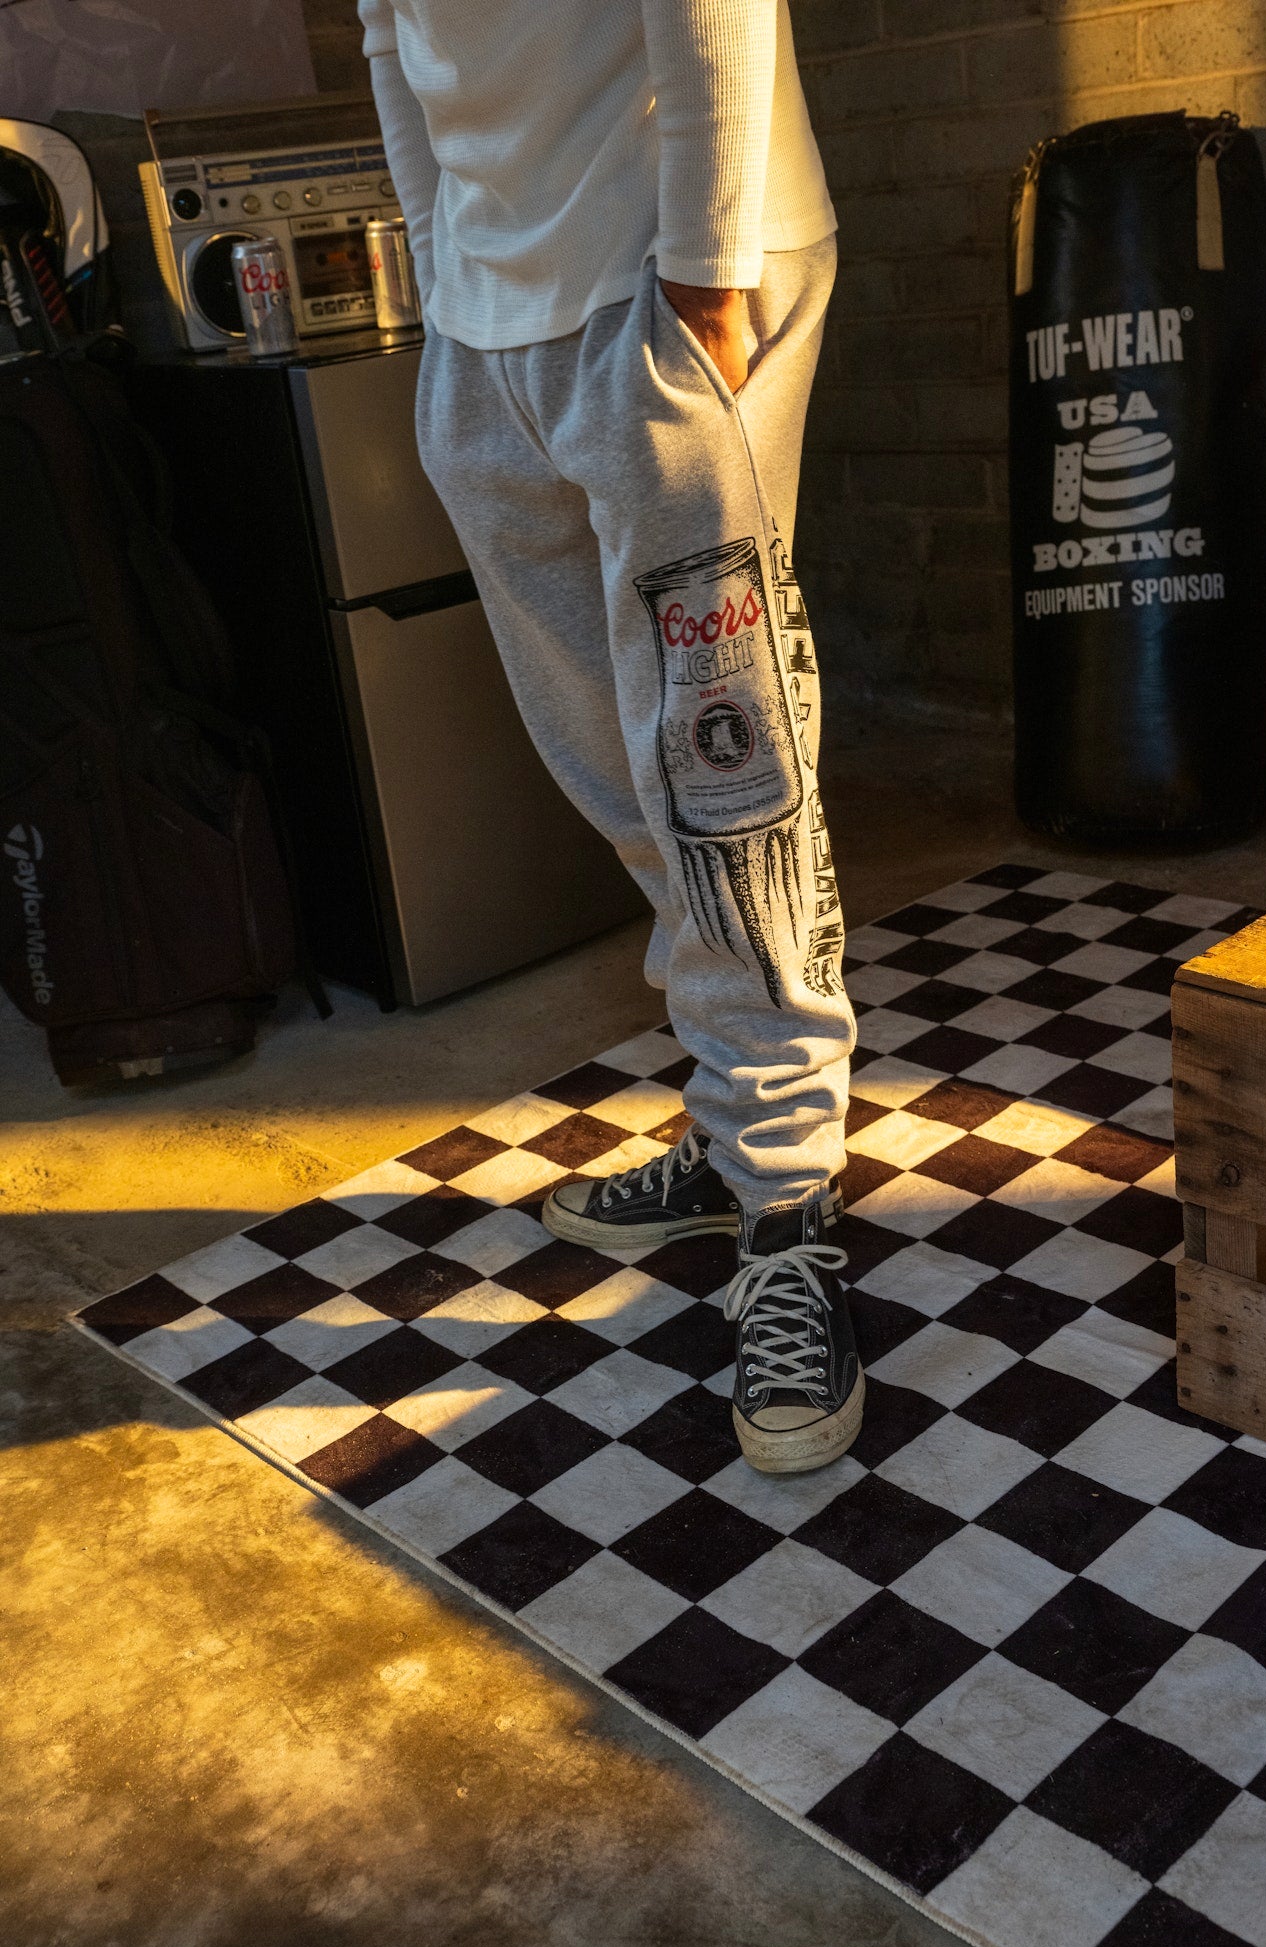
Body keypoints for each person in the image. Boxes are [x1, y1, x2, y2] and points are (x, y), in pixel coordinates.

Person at [359, 0, 861, 1474]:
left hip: (676, 279)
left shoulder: (694, 283)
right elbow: (391, 42)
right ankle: (732, 1114)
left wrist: (706, 275)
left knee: (725, 783)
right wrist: (443, 281)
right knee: (613, 763)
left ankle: (787, 1204)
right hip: (486, 325)